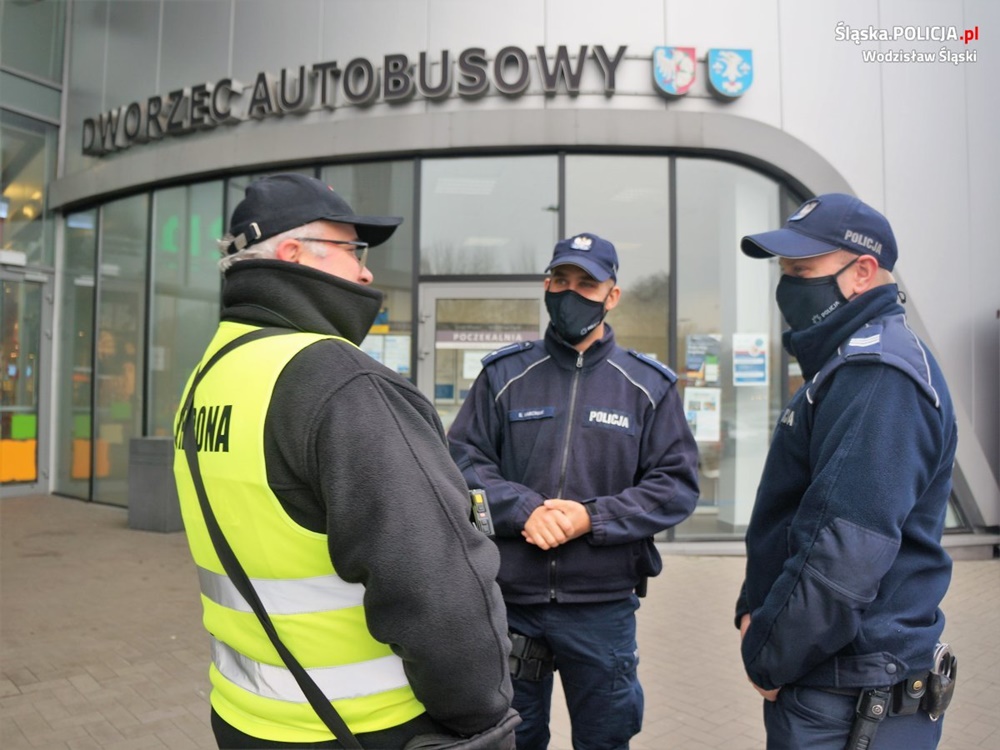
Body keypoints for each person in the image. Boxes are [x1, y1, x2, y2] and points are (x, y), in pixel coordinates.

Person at [172, 173, 517, 749]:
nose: (365, 272)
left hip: (246, 718)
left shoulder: (210, 375)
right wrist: (484, 715)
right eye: (352, 249)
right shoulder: (339, 380)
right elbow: (436, 586)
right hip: (371, 727)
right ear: (292, 253)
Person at [448, 233, 700, 750]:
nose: (571, 293)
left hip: (602, 608)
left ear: (613, 295)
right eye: (560, 281)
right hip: (511, 602)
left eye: (587, 284)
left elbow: (674, 485)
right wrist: (525, 511)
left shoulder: (647, 385)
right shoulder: (503, 375)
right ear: (546, 285)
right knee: (511, 740)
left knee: (605, 739)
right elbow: (461, 462)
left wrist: (593, 518)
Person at [735, 193, 958, 749]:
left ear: (862, 272)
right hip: (839, 686)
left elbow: (843, 554)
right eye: (783, 272)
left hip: (851, 702)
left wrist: (769, 653)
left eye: (801, 271)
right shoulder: (843, 368)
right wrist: (754, 610)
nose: (787, 287)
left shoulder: (878, 374)